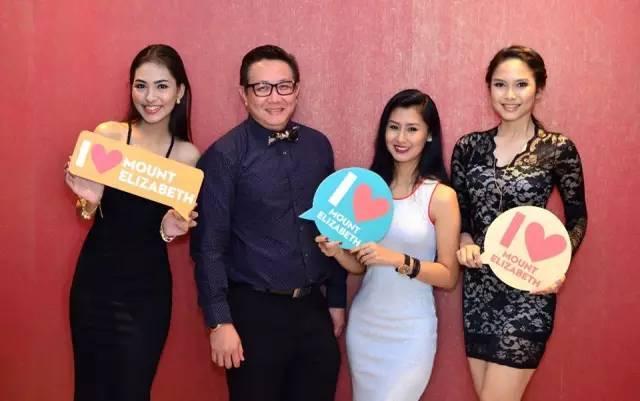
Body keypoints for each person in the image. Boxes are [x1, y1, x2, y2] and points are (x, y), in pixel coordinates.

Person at [191, 44, 346, 401]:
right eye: (261, 87)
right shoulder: (224, 156)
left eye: (283, 86)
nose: (274, 97)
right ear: (244, 95)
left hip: (313, 309)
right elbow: (208, 247)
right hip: (253, 315)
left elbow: (333, 224)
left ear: (297, 90)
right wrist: (219, 321)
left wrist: (336, 299)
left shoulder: (318, 146)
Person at [450, 45, 588, 401]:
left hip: (528, 292)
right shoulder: (468, 148)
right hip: (478, 291)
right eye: (500, 84)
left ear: (538, 89)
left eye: (521, 85)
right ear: (489, 88)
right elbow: (462, 212)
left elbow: (577, 218)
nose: (509, 95)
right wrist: (465, 240)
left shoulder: (557, 148)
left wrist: (558, 267)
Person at [65, 44, 200, 401]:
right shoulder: (109, 135)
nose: (150, 97)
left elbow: (162, 230)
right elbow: (88, 213)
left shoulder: (186, 155)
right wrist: (89, 202)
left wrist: (169, 231)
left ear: (180, 91)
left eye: (161, 86)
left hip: (147, 293)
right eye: (141, 86)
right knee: (90, 390)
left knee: (132, 390)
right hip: (94, 285)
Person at [316, 89, 461, 401]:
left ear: (429, 135)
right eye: (394, 127)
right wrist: (337, 251)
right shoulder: (368, 188)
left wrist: (396, 258)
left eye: (412, 129)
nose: (401, 138)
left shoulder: (441, 196)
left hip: (412, 331)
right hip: (366, 326)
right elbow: (361, 266)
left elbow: (449, 276)